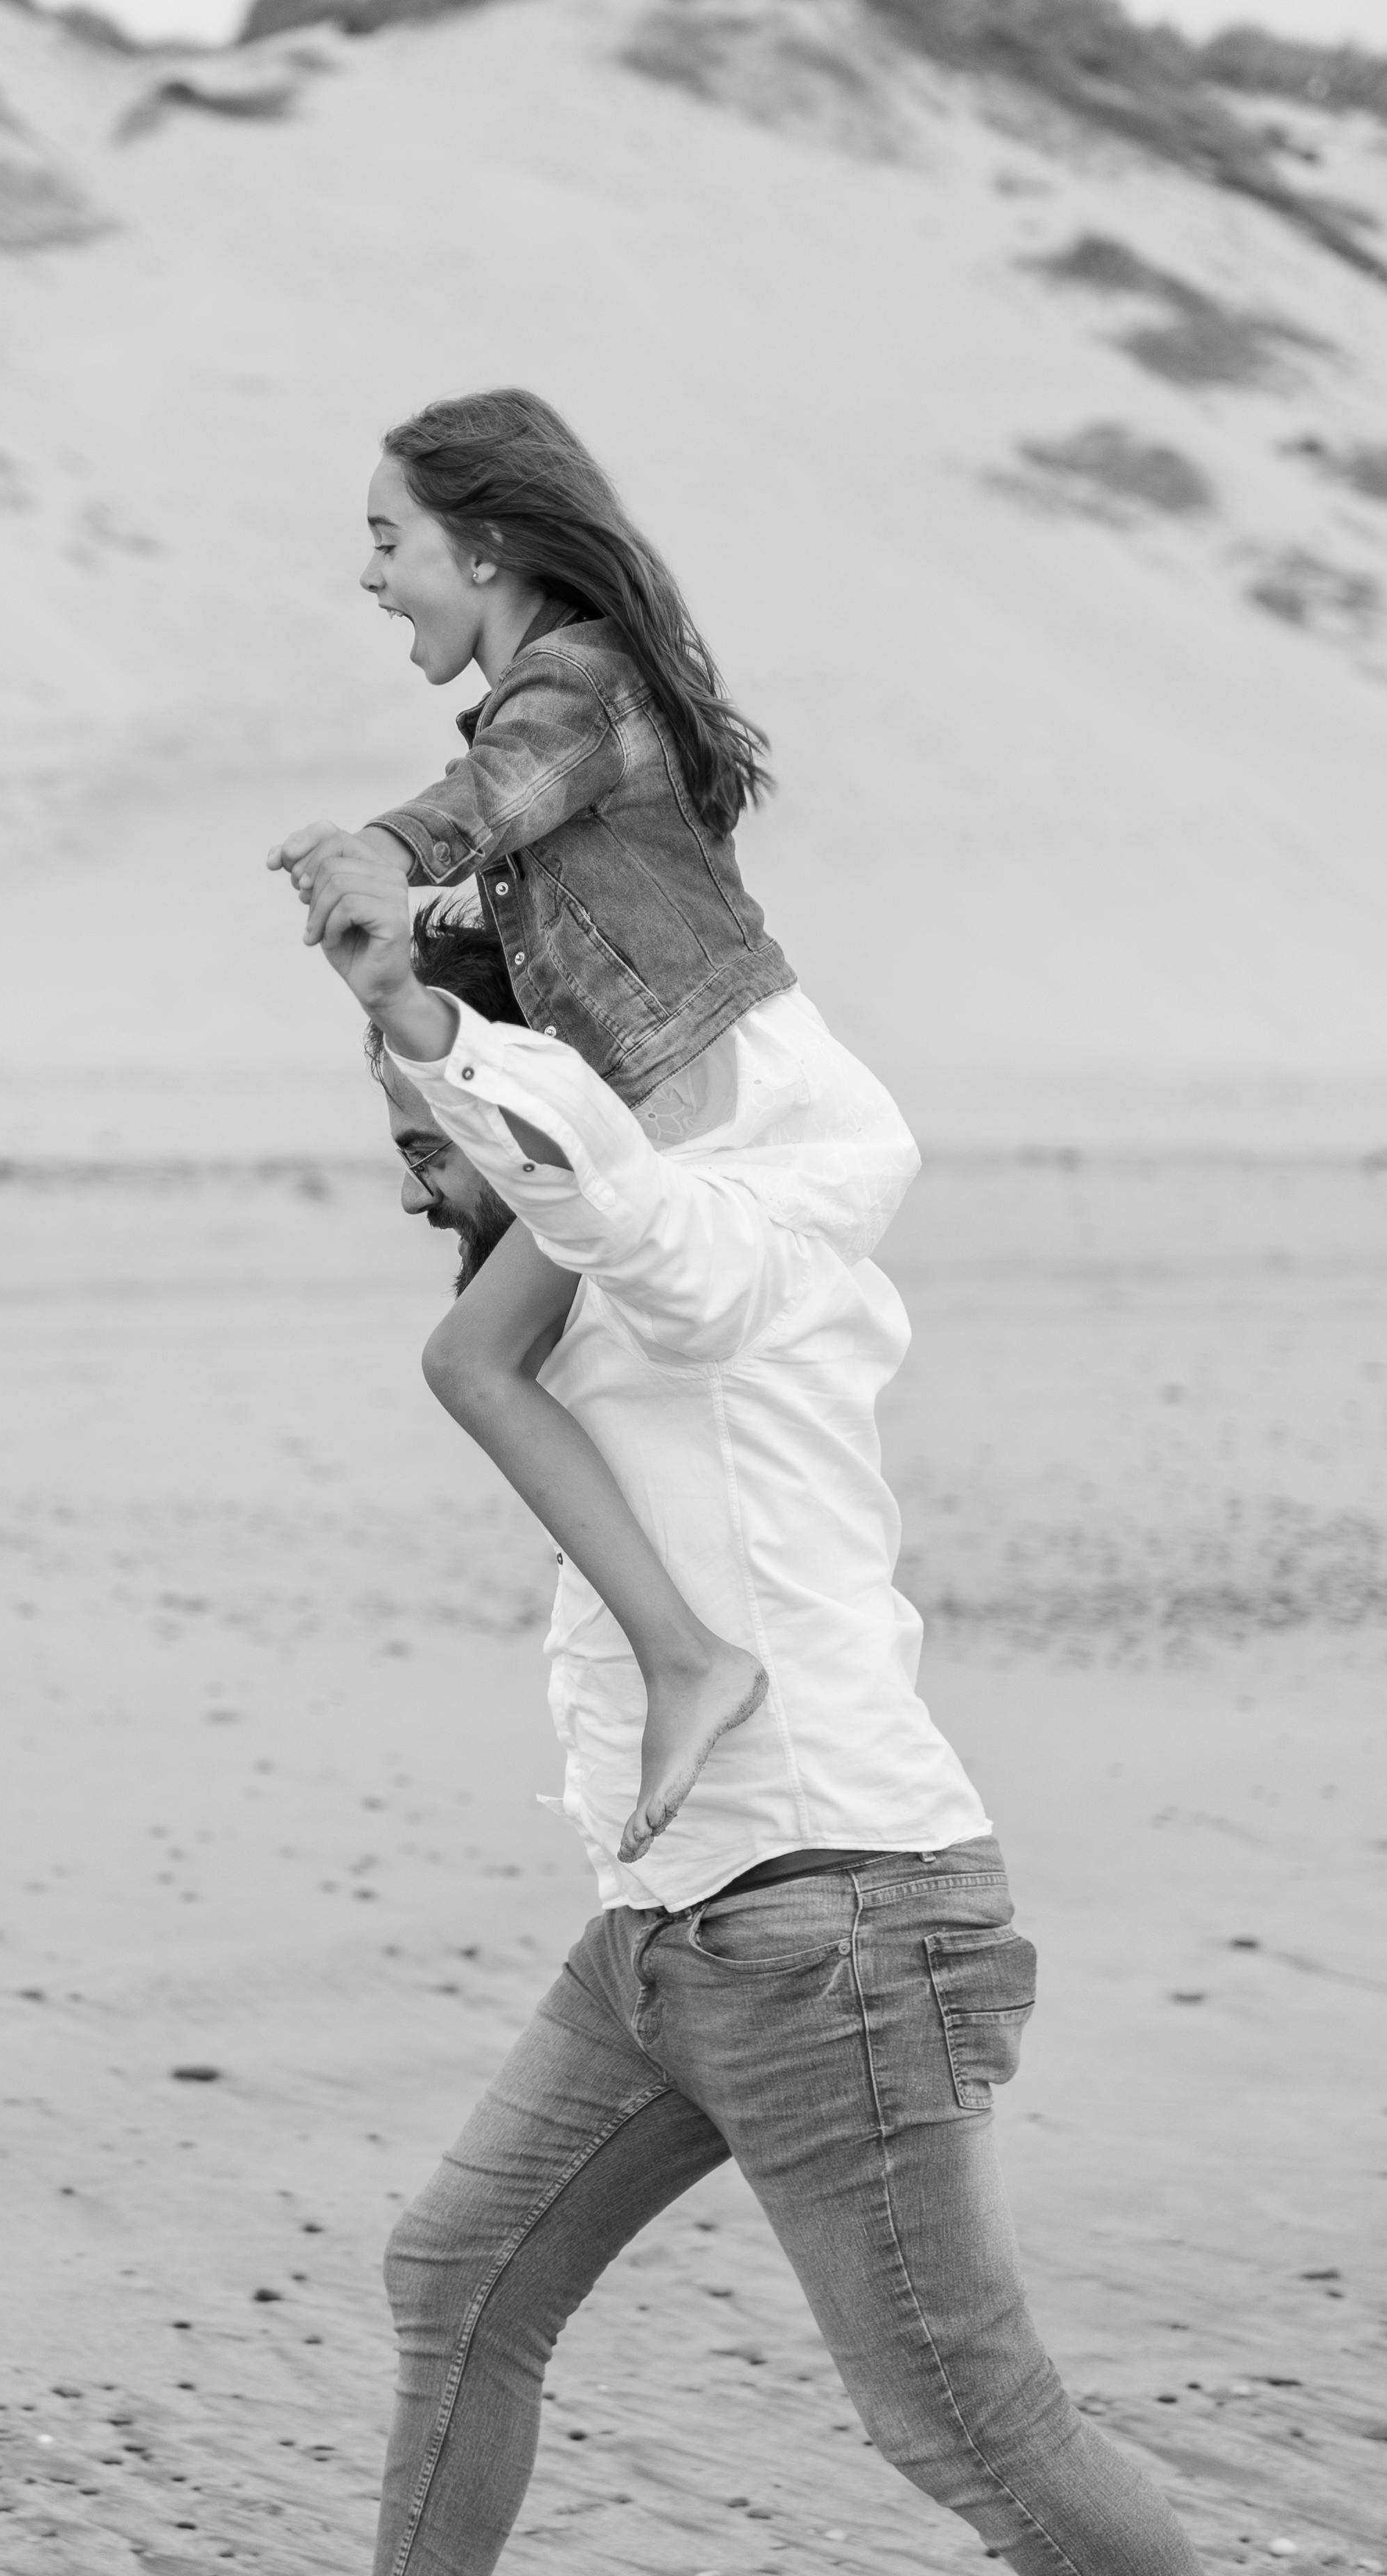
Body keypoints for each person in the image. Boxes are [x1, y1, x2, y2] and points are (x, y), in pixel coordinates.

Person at [150, 872, 1387, 2576]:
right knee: (462, 2270)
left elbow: (616, 1194)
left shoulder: (715, 1260)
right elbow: (499, 1319)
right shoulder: (579, 1288)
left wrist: (478, 1047)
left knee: (963, 2417)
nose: (412, 1169)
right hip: (675, 1924)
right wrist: (417, 1027)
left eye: (428, 1134)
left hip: (837, 1918)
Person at [278, 386, 857, 1865]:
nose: (366, 575)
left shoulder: (576, 685)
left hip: (708, 1091)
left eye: (385, 537)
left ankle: (690, 1659)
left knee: (476, 1360)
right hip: (675, 1092)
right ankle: (667, 1654)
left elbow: (490, 793)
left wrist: (380, 854)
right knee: (501, 1351)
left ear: (481, 548)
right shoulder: (584, 687)